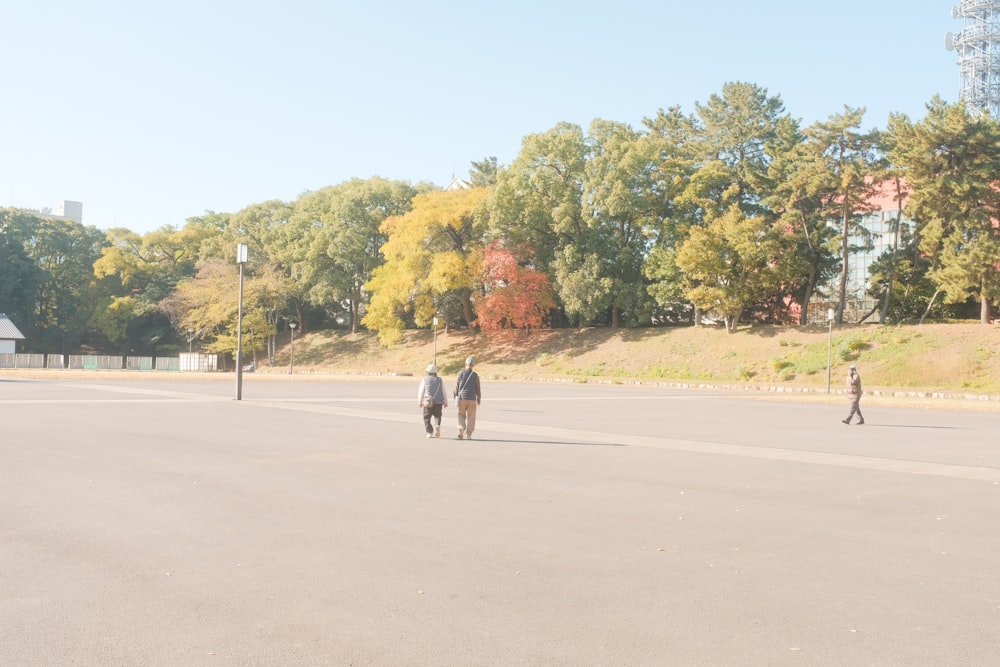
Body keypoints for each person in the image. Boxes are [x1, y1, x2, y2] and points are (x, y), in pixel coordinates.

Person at [454, 356, 482, 440]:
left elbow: (456, 387)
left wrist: (455, 396)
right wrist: (478, 399)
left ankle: (461, 427)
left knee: (461, 414)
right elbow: (478, 389)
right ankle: (469, 434)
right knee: (471, 416)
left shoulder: (460, 373)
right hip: (472, 399)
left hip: (462, 398)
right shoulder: (475, 375)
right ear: (473, 365)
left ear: (465, 363)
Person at [417, 363, 447, 437]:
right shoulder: (440, 380)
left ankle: (429, 432)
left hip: (428, 401)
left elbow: (421, 391)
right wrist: (445, 401)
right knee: (438, 415)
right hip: (439, 401)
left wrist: (420, 401)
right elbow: (444, 391)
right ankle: (437, 425)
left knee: (426, 416)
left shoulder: (425, 380)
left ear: (428, 372)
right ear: (436, 372)